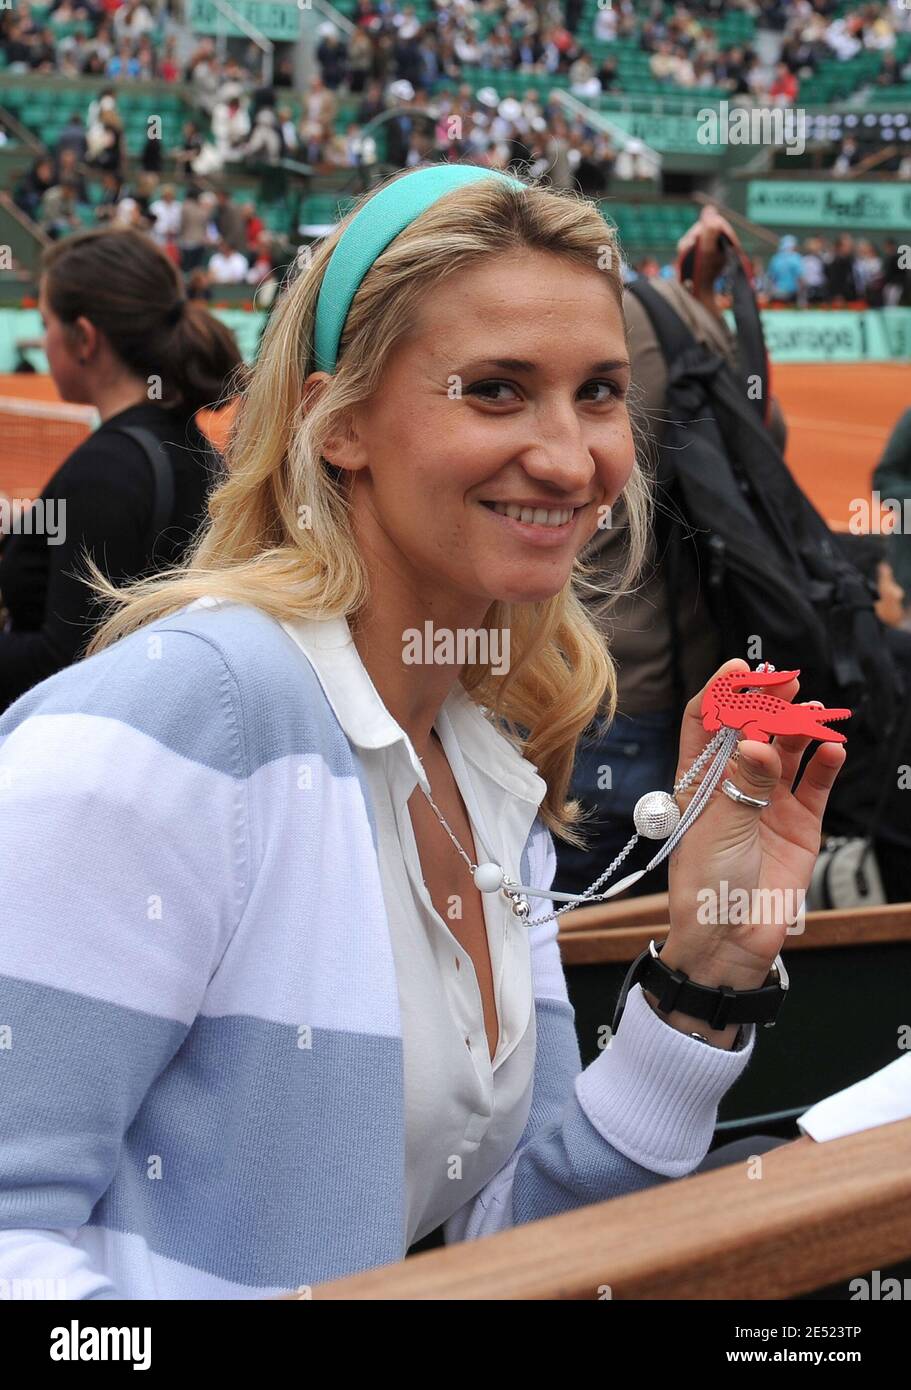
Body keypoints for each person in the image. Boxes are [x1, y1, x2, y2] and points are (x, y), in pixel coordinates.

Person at [0, 165, 845, 1300]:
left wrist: (704, 975)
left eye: (596, 392)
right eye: (495, 389)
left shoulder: (483, 760)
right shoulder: (179, 716)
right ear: (331, 421)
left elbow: (502, 1242)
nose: (568, 455)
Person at [0, 226, 244, 713]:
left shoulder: (106, 469)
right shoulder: (192, 446)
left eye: (47, 322)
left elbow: (65, 662)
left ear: (84, 338)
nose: (43, 340)